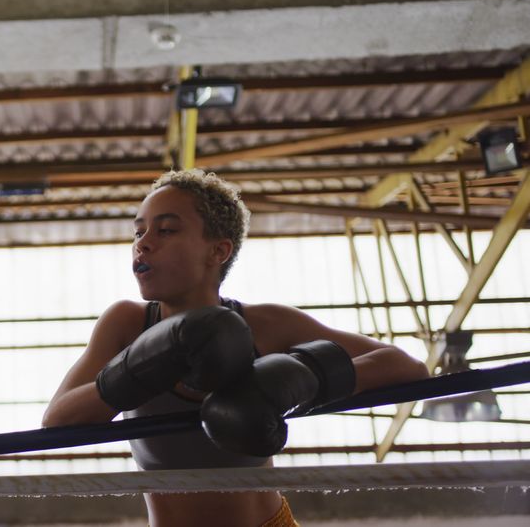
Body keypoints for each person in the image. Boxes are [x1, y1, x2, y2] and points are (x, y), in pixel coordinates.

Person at [42, 169, 428, 527]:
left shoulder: (265, 325)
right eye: (139, 232)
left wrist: (304, 376)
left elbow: (407, 367)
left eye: (166, 230)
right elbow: (56, 421)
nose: (144, 243)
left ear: (218, 251)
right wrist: (138, 367)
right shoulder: (127, 323)